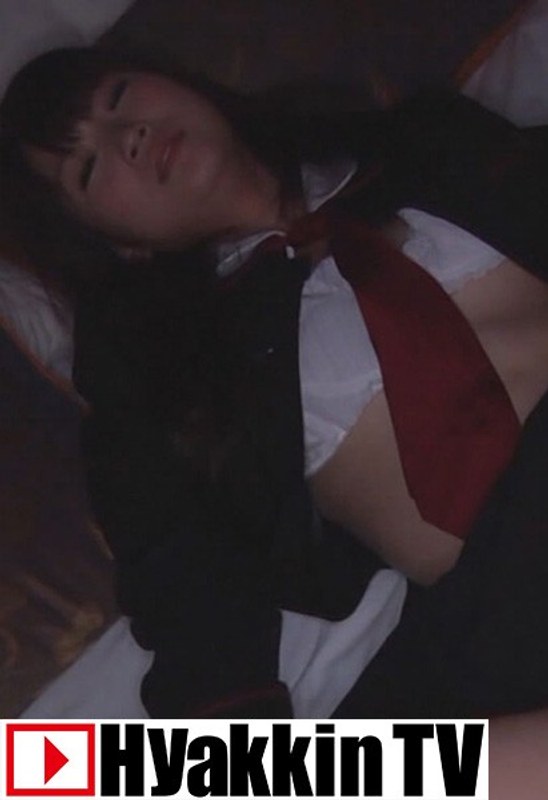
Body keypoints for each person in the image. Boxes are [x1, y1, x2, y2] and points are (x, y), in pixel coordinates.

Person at [1, 45, 548, 725]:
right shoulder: (164, 373)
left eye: (118, 97)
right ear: (116, 243)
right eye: (88, 167)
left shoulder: (423, 141)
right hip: (504, 609)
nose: (128, 137)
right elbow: (185, 584)